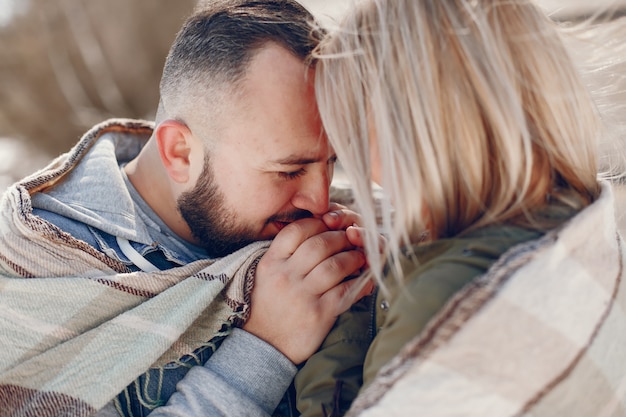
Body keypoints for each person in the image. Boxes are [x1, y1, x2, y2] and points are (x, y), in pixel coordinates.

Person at [0, 1, 372, 416]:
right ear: (179, 152)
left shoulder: (339, 220)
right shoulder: (38, 275)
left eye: (332, 162)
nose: (320, 199)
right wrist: (264, 350)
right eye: (289, 171)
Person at [294, 0, 626, 415]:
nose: (352, 155)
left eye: (354, 132)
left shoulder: (443, 303)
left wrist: (352, 311)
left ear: (417, 132)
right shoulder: (582, 225)